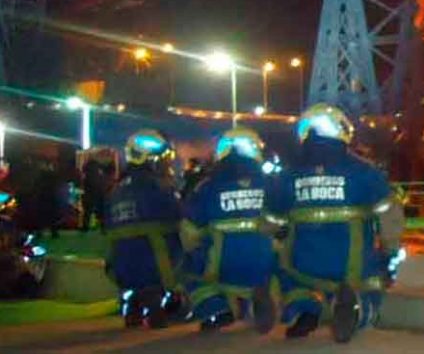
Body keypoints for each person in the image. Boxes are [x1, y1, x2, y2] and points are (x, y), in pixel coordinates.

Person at [268, 104, 405, 343]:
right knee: (372, 283)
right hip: (352, 261)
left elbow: (271, 221)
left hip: (303, 259)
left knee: (290, 277)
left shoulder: (288, 175)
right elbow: (389, 214)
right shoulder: (364, 170)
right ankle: (358, 308)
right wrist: (390, 249)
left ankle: (305, 310)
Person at [180, 127, 278, 333]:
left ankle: (216, 308)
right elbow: (283, 219)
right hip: (266, 261)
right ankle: (260, 297)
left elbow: (190, 230)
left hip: (221, 263)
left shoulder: (206, 187)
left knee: (188, 270)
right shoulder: (270, 183)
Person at [106, 130, 183, 329]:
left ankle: (134, 305)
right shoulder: (158, 187)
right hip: (154, 262)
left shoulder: (118, 189)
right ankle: (165, 304)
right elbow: (178, 216)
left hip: (122, 264)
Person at [81, 159, 109, 232]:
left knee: (88, 211)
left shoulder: (87, 171)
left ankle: (85, 227)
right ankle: (103, 227)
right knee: (101, 211)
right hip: (100, 192)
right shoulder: (100, 169)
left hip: (90, 193)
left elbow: (84, 183)